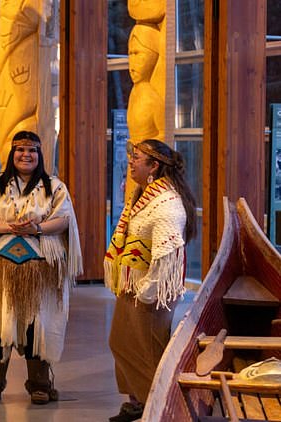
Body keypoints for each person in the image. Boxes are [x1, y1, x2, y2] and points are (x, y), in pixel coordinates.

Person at [0, 130, 82, 404]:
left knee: (37, 324)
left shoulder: (54, 187)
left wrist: (37, 228)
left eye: (32, 150)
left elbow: (64, 218)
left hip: (39, 271)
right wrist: (9, 227)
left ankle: (40, 384)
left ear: (40, 154)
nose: (26, 155)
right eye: (20, 150)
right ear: (12, 154)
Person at [104, 139, 197, 422]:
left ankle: (158, 404)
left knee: (148, 351)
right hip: (132, 285)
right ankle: (137, 401)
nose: (131, 162)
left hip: (151, 292)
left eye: (137, 158)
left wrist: (148, 292)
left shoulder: (167, 205)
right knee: (121, 343)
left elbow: (167, 256)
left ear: (154, 166)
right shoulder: (143, 196)